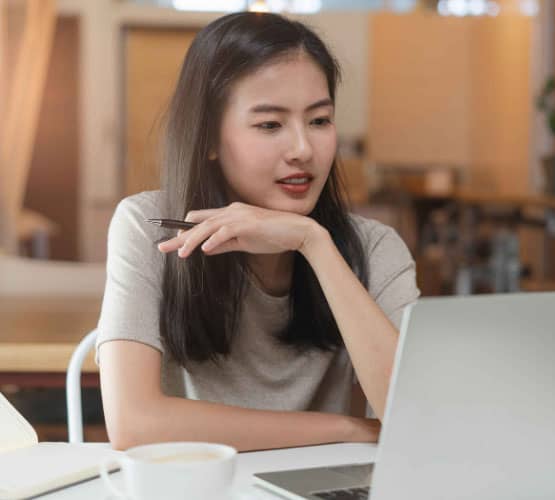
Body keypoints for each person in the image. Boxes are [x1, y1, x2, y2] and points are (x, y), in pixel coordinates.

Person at [96, 11, 420, 452]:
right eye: (270, 124)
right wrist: (345, 428)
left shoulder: (374, 246)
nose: (303, 149)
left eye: (319, 120)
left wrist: (314, 243)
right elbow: (135, 424)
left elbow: (414, 413)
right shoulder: (147, 224)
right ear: (209, 137)